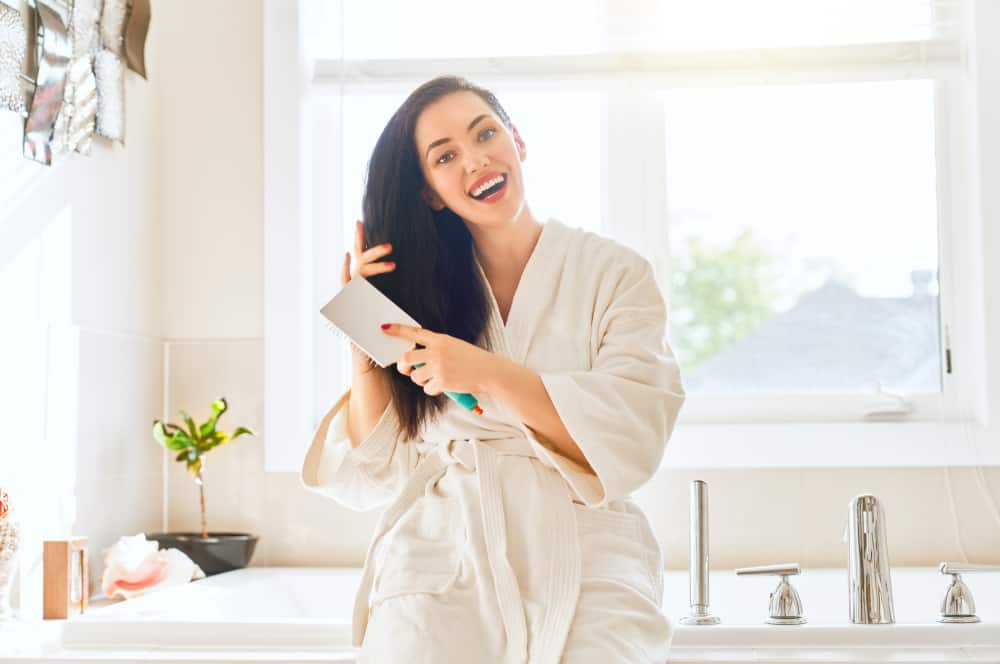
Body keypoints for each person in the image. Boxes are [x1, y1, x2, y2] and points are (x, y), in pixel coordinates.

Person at [300, 75, 686, 664]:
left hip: (586, 543)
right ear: (429, 191)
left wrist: (484, 373)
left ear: (518, 141)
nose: (475, 159)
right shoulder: (420, 294)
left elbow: (632, 432)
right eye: (446, 155)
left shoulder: (617, 273)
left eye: (486, 133)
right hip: (444, 545)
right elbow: (372, 470)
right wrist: (365, 332)